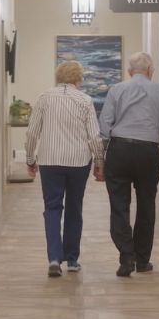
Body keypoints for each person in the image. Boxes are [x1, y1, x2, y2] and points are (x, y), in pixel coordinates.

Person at [98, 52, 159, 277]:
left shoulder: (116, 90)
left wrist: (101, 160)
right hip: (148, 152)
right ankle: (143, 260)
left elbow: (104, 128)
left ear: (129, 72)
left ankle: (126, 257)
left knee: (119, 206)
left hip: (120, 150)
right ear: (150, 71)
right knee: (147, 206)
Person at [25, 61, 104, 277]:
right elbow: (94, 137)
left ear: (58, 77)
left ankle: (53, 258)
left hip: (50, 161)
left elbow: (32, 133)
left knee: (52, 208)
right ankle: (72, 259)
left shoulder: (44, 98)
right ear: (79, 79)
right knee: (74, 208)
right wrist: (99, 162)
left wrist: (30, 159)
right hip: (78, 162)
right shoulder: (85, 101)